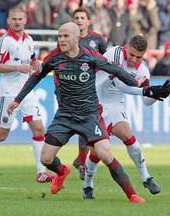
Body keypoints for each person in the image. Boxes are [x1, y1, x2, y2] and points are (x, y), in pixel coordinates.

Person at [7, 22, 169, 202]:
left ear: (77, 38)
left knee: (106, 153)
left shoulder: (91, 57)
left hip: (90, 113)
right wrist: (17, 100)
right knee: (45, 158)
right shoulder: (54, 57)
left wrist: (145, 89)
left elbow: (117, 72)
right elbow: (35, 77)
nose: (61, 40)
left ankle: (132, 194)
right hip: (65, 115)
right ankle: (63, 171)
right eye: (59, 36)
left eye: (65, 36)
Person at [0, 7, 55, 183]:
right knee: (2, 135)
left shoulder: (29, 40)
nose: (17, 22)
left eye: (20, 19)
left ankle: (41, 172)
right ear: (8, 21)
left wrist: (45, 67)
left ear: (25, 21)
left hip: (26, 92)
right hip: (8, 93)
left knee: (39, 129)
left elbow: (32, 62)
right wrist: (17, 67)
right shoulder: (4, 41)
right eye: (14, 19)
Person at [82, 35, 170, 198]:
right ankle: (87, 185)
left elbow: (145, 101)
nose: (133, 59)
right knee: (96, 153)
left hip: (114, 106)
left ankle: (146, 178)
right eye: (131, 54)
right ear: (126, 47)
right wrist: (146, 90)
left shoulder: (143, 69)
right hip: (93, 104)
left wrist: (157, 95)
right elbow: (120, 83)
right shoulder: (114, 54)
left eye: (139, 57)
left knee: (128, 135)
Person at [72, 7, 108, 180]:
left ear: (88, 21)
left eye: (82, 18)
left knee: (86, 125)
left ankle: (80, 161)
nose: (79, 20)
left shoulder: (97, 39)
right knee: (82, 125)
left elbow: (106, 61)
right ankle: (81, 162)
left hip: (94, 88)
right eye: (76, 17)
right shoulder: (68, 39)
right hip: (74, 88)